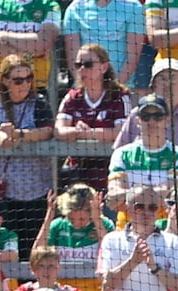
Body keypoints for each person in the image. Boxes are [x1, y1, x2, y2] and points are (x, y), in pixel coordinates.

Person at [0, 54, 55, 259]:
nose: (24, 84)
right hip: (2, 192)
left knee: (31, 249)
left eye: (28, 78)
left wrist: (21, 134)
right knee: (5, 248)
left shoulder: (38, 101)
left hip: (35, 190)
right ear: (5, 80)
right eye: (18, 80)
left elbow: (48, 131)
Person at [55, 43, 131, 191]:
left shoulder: (120, 96)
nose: (82, 69)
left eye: (88, 64)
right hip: (78, 175)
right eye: (78, 65)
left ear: (103, 67)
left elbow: (121, 132)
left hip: (110, 174)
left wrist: (87, 132)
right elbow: (58, 131)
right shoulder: (72, 97)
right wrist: (77, 131)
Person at [113, 57, 178, 164]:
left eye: (173, 78)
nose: (167, 84)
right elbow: (119, 154)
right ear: (153, 85)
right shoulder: (137, 114)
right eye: (162, 79)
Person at [106, 93, 178, 214]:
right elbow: (113, 198)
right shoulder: (121, 154)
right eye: (145, 116)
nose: (151, 121)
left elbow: (172, 196)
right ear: (137, 120)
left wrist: (130, 195)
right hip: (126, 225)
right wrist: (156, 193)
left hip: (165, 224)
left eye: (157, 116)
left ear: (167, 120)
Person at [0, 0, 59, 95]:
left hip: (34, 87)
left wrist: (4, 36)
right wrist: (30, 51)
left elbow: (44, 43)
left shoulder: (50, 5)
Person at [61, 0, 144, 88]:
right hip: (84, 90)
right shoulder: (75, 8)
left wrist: (114, 88)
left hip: (121, 89)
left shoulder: (134, 7)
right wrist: (87, 88)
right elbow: (73, 58)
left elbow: (133, 58)